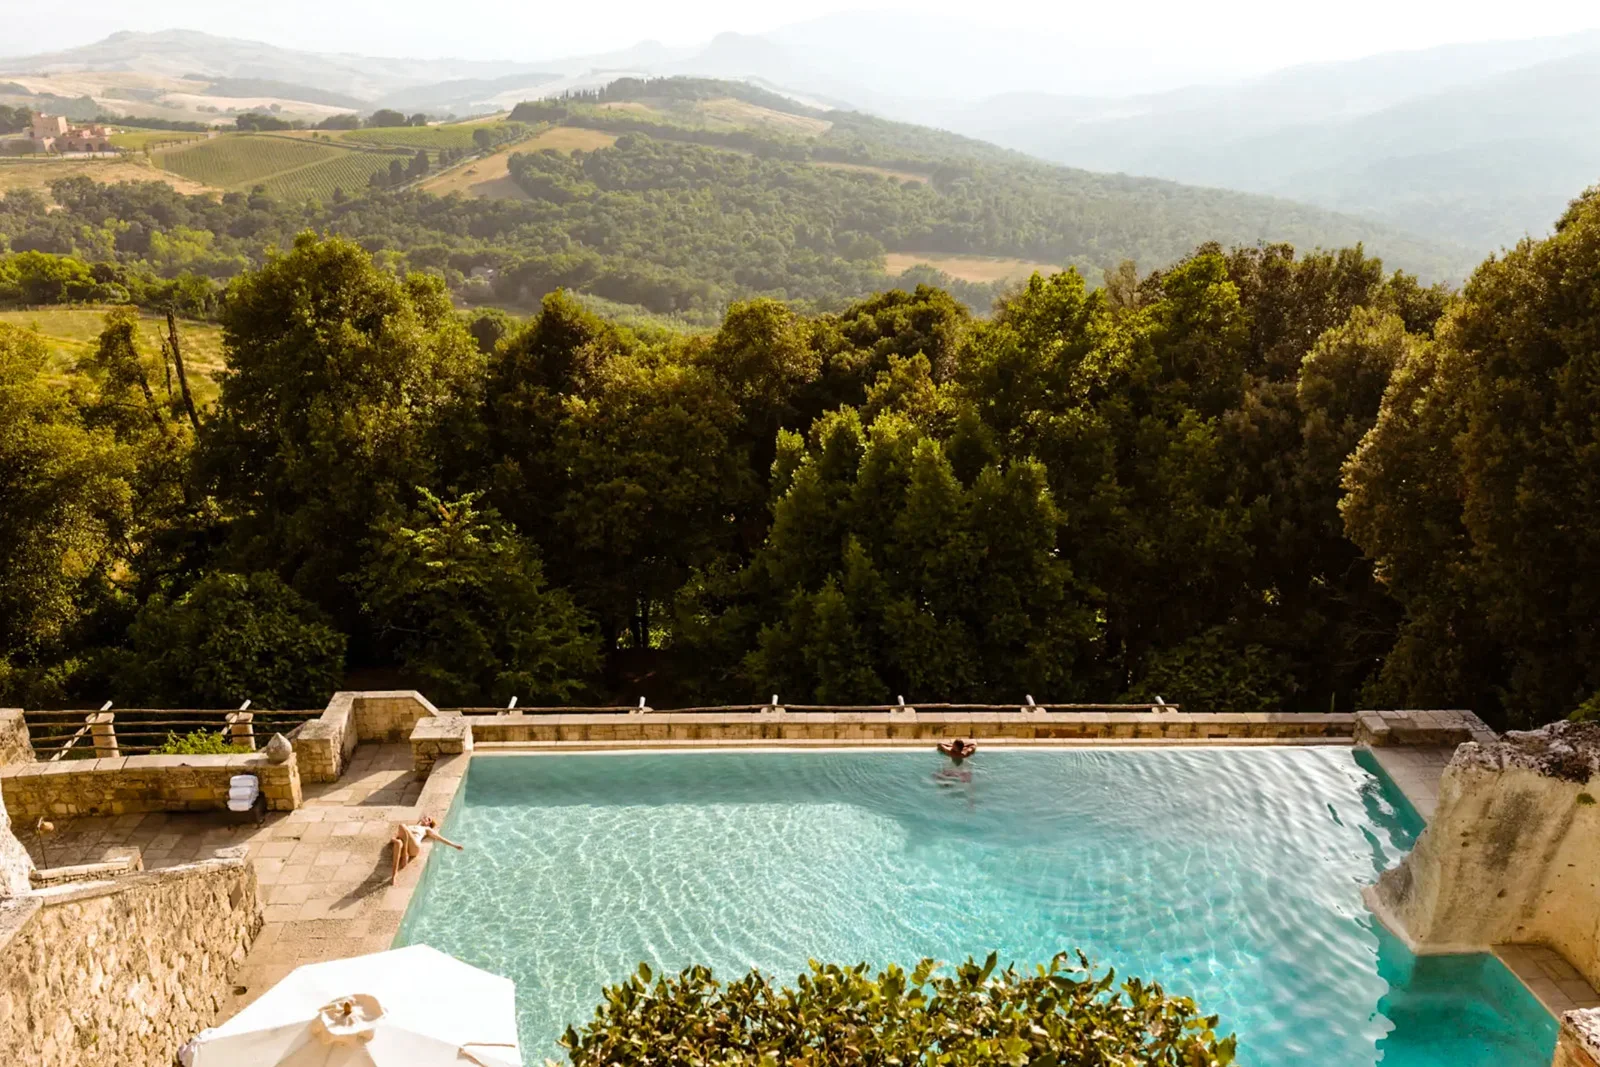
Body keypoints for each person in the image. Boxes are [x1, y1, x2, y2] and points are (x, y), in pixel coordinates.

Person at [391, 814, 462, 885]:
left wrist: (455, 845)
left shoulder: (427, 829)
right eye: (425, 817)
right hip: (403, 843)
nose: (425, 818)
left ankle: (405, 854)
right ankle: (394, 874)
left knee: (402, 825)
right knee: (398, 842)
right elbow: (395, 837)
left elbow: (440, 838)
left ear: (429, 824)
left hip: (414, 847)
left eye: (428, 819)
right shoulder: (410, 826)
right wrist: (395, 840)